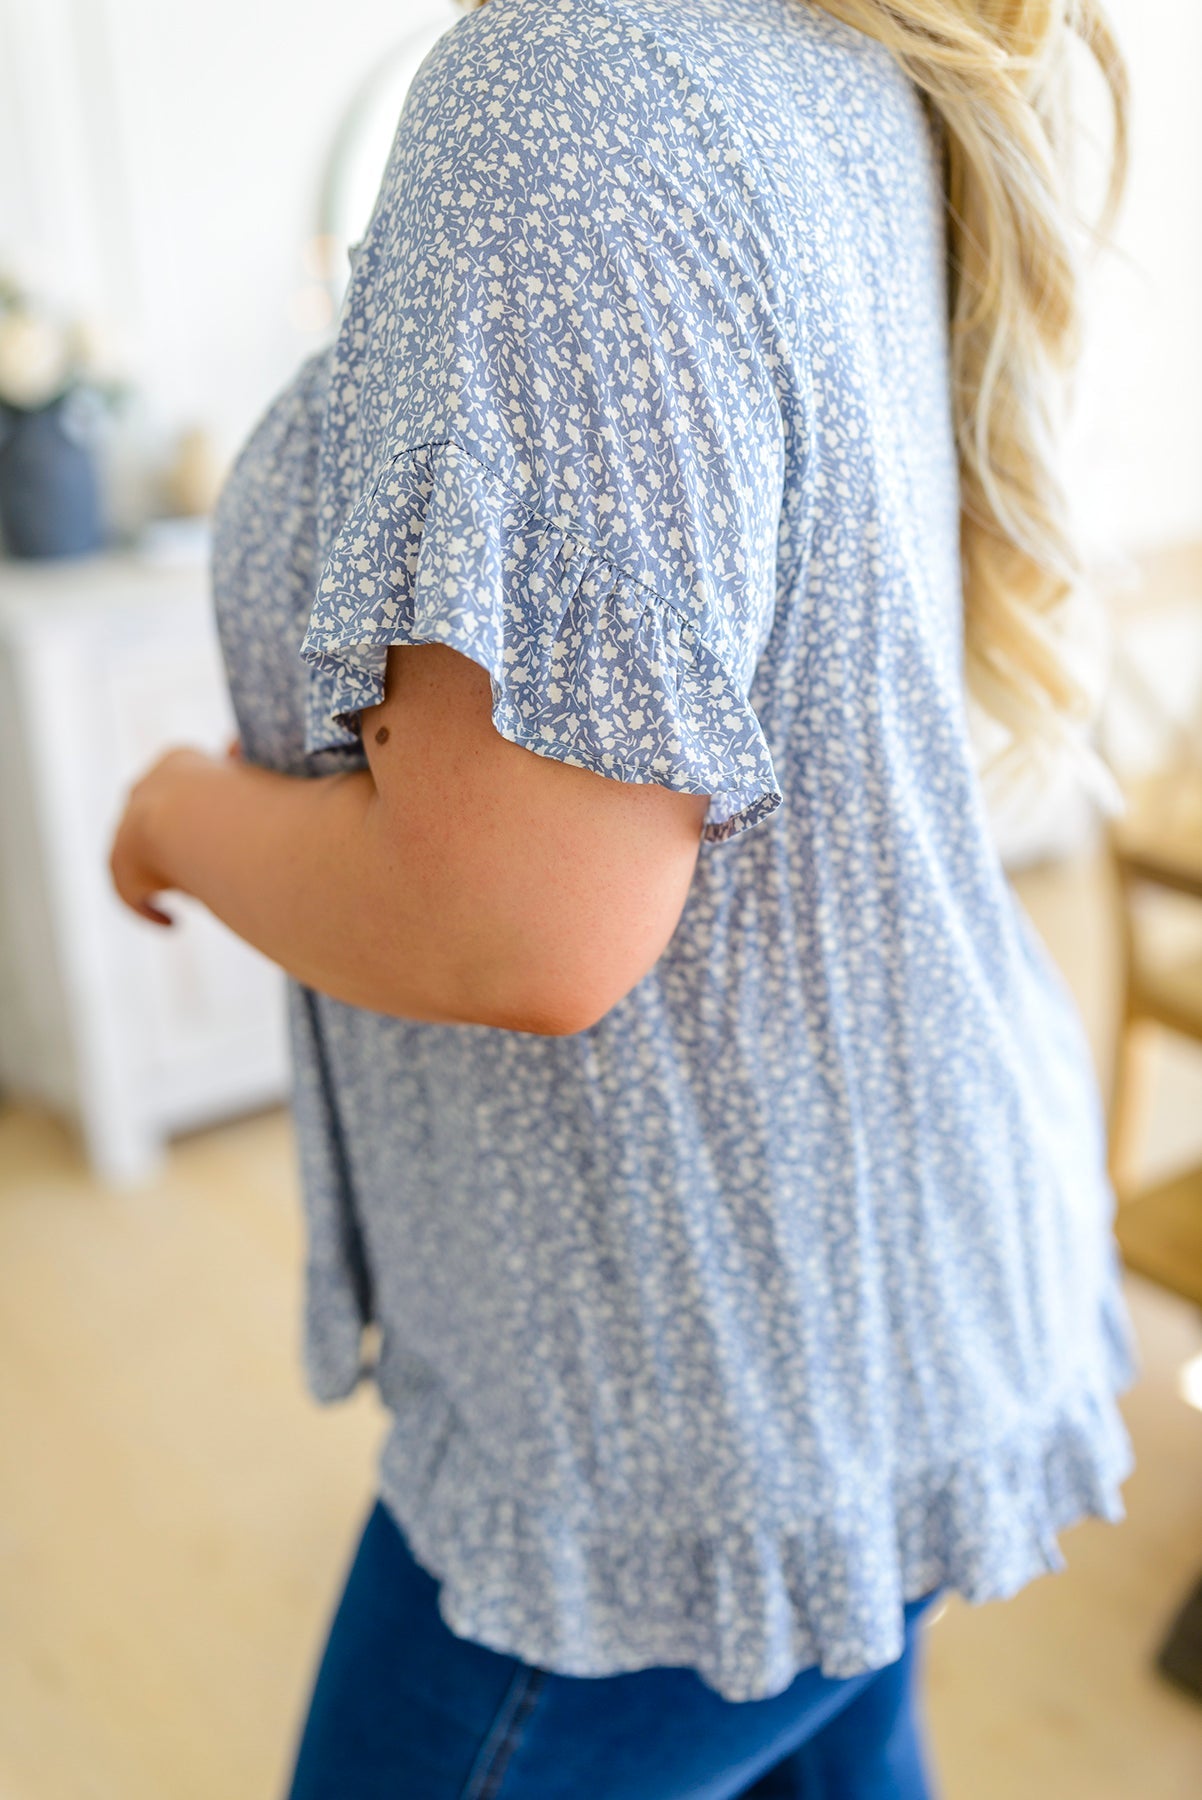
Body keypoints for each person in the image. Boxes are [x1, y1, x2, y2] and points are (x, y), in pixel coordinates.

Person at [108, 0, 1138, 1793]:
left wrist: (180, 816)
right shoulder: (789, 54)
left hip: (686, 1398)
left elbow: (516, 924)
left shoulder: (573, 89)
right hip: (855, 1288)